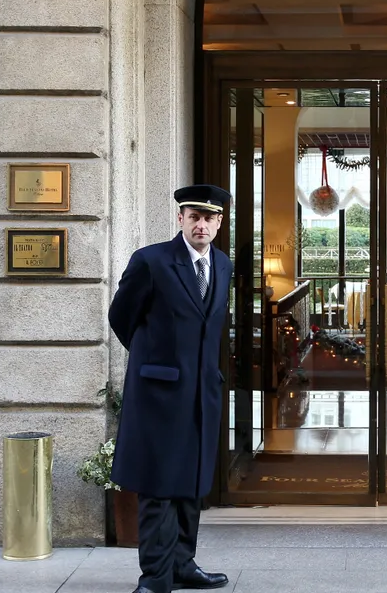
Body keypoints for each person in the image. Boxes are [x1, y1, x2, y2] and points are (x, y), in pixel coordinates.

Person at [108, 184, 233, 592]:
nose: (201, 224)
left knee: (191, 482)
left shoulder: (223, 264)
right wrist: (154, 361)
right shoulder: (151, 261)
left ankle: (183, 565)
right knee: (158, 485)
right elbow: (122, 317)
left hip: (202, 394)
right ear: (180, 218)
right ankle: (155, 577)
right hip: (159, 393)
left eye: (209, 217)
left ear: (219, 222)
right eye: (194, 216)